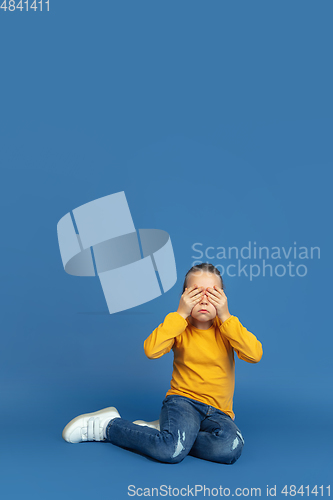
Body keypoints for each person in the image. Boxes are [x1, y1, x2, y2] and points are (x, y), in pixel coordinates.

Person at [62, 263, 263, 464]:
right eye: (195, 292)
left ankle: (167, 433)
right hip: (184, 402)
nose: (203, 299)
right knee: (171, 451)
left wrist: (226, 315)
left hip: (219, 412)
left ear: (223, 299)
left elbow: (254, 354)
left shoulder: (228, 328)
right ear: (184, 297)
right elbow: (151, 350)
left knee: (230, 447)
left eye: (212, 294)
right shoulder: (179, 326)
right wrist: (180, 314)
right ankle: (108, 426)